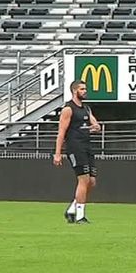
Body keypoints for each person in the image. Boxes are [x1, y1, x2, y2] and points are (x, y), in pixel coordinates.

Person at [53, 80, 101, 224]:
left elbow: (96, 124)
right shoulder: (68, 109)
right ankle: (80, 216)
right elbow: (61, 132)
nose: (85, 91)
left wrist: (95, 127)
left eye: (85, 88)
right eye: (82, 89)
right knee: (83, 179)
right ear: (75, 91)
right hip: (75, 147)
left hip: (87, 146)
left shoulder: (86, 108)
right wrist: (57, 153)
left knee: (91, 182)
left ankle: (72, 209)